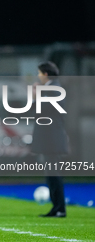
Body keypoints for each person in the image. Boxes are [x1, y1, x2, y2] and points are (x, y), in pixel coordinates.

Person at [32, 61, 69, 218]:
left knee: (54, 173)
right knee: (51, 173)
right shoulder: (51, 89)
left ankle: (60, 208)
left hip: (52, 139)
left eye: (40, 73)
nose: (39, 76)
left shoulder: (54, 89)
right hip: (50, 138)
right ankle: (56, 207)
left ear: (46, 74)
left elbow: (43, 111)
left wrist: (36, 96)